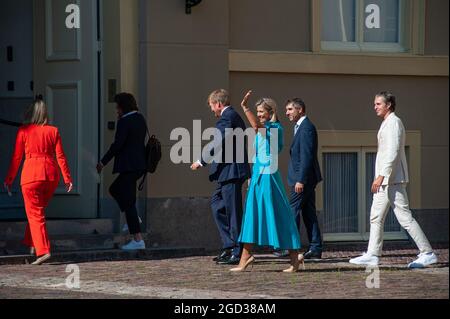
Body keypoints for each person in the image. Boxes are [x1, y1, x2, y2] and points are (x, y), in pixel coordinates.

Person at [350, 92, 438, 268]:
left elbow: (393, 151)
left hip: (392, 180)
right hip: (385, 181)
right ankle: (373, 254)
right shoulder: (387, 123)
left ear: (388, 104)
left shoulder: (394, 123)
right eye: (375, 104)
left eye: (378, 104)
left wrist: (382, 175)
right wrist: (380, 177)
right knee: (375, 217)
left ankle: (427, 253)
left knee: (405, 218)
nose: (375, 107)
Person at [230, 91, 303, 273]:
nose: (260, 115)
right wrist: (252, 177)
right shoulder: (265, 129)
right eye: (258, 111)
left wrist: (245, 108)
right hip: (258, 175)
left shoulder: (275, 128)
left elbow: (255, 127)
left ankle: (295, 257)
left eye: (262, 111)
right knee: (251, 216)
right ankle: (245, 257)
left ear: (271, 112)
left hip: (269, 177)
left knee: (279, 215)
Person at [4, 96, 73, 265]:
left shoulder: (24, 131)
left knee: (35, 214)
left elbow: (17, 157)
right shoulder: (53, 131)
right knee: (36, 212)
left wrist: (9, 179)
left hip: (31, 176)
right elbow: (60, 156)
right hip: (50, 176)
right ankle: (31, 244)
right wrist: (67, 178)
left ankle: (43, 250)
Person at [191, 89, 250, 265]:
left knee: (233, 213)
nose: (212, 110)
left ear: (219, 104)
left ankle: (238, 251)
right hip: (226, 172)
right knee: (217, 205)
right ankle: (229, 244)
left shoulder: (228, 116)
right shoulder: (230, 116)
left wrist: (201, 160)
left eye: (212, 106)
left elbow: (219, 141)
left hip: (232, 171)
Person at [97, 93, 147, 250]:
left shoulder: (125, 122)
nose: (116, 110)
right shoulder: (140, 118)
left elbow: (117, 145)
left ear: (123, 107)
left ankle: (138, 240)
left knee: (129, 201)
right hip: (139, 165)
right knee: (115, 189)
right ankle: (134, 219)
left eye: (117, 107)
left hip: (128, 166)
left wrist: (103, 162)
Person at [285, 98, 323, 260]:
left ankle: (289, 246)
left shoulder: (306, 128)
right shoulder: (299, 127)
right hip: (303, 178)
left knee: (291, 211)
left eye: (290, 109)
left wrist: (300, 180)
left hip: (303, 179)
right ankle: (315, 248)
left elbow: (306, 156)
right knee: (308, 213)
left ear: (300, 110)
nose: (287, 113)